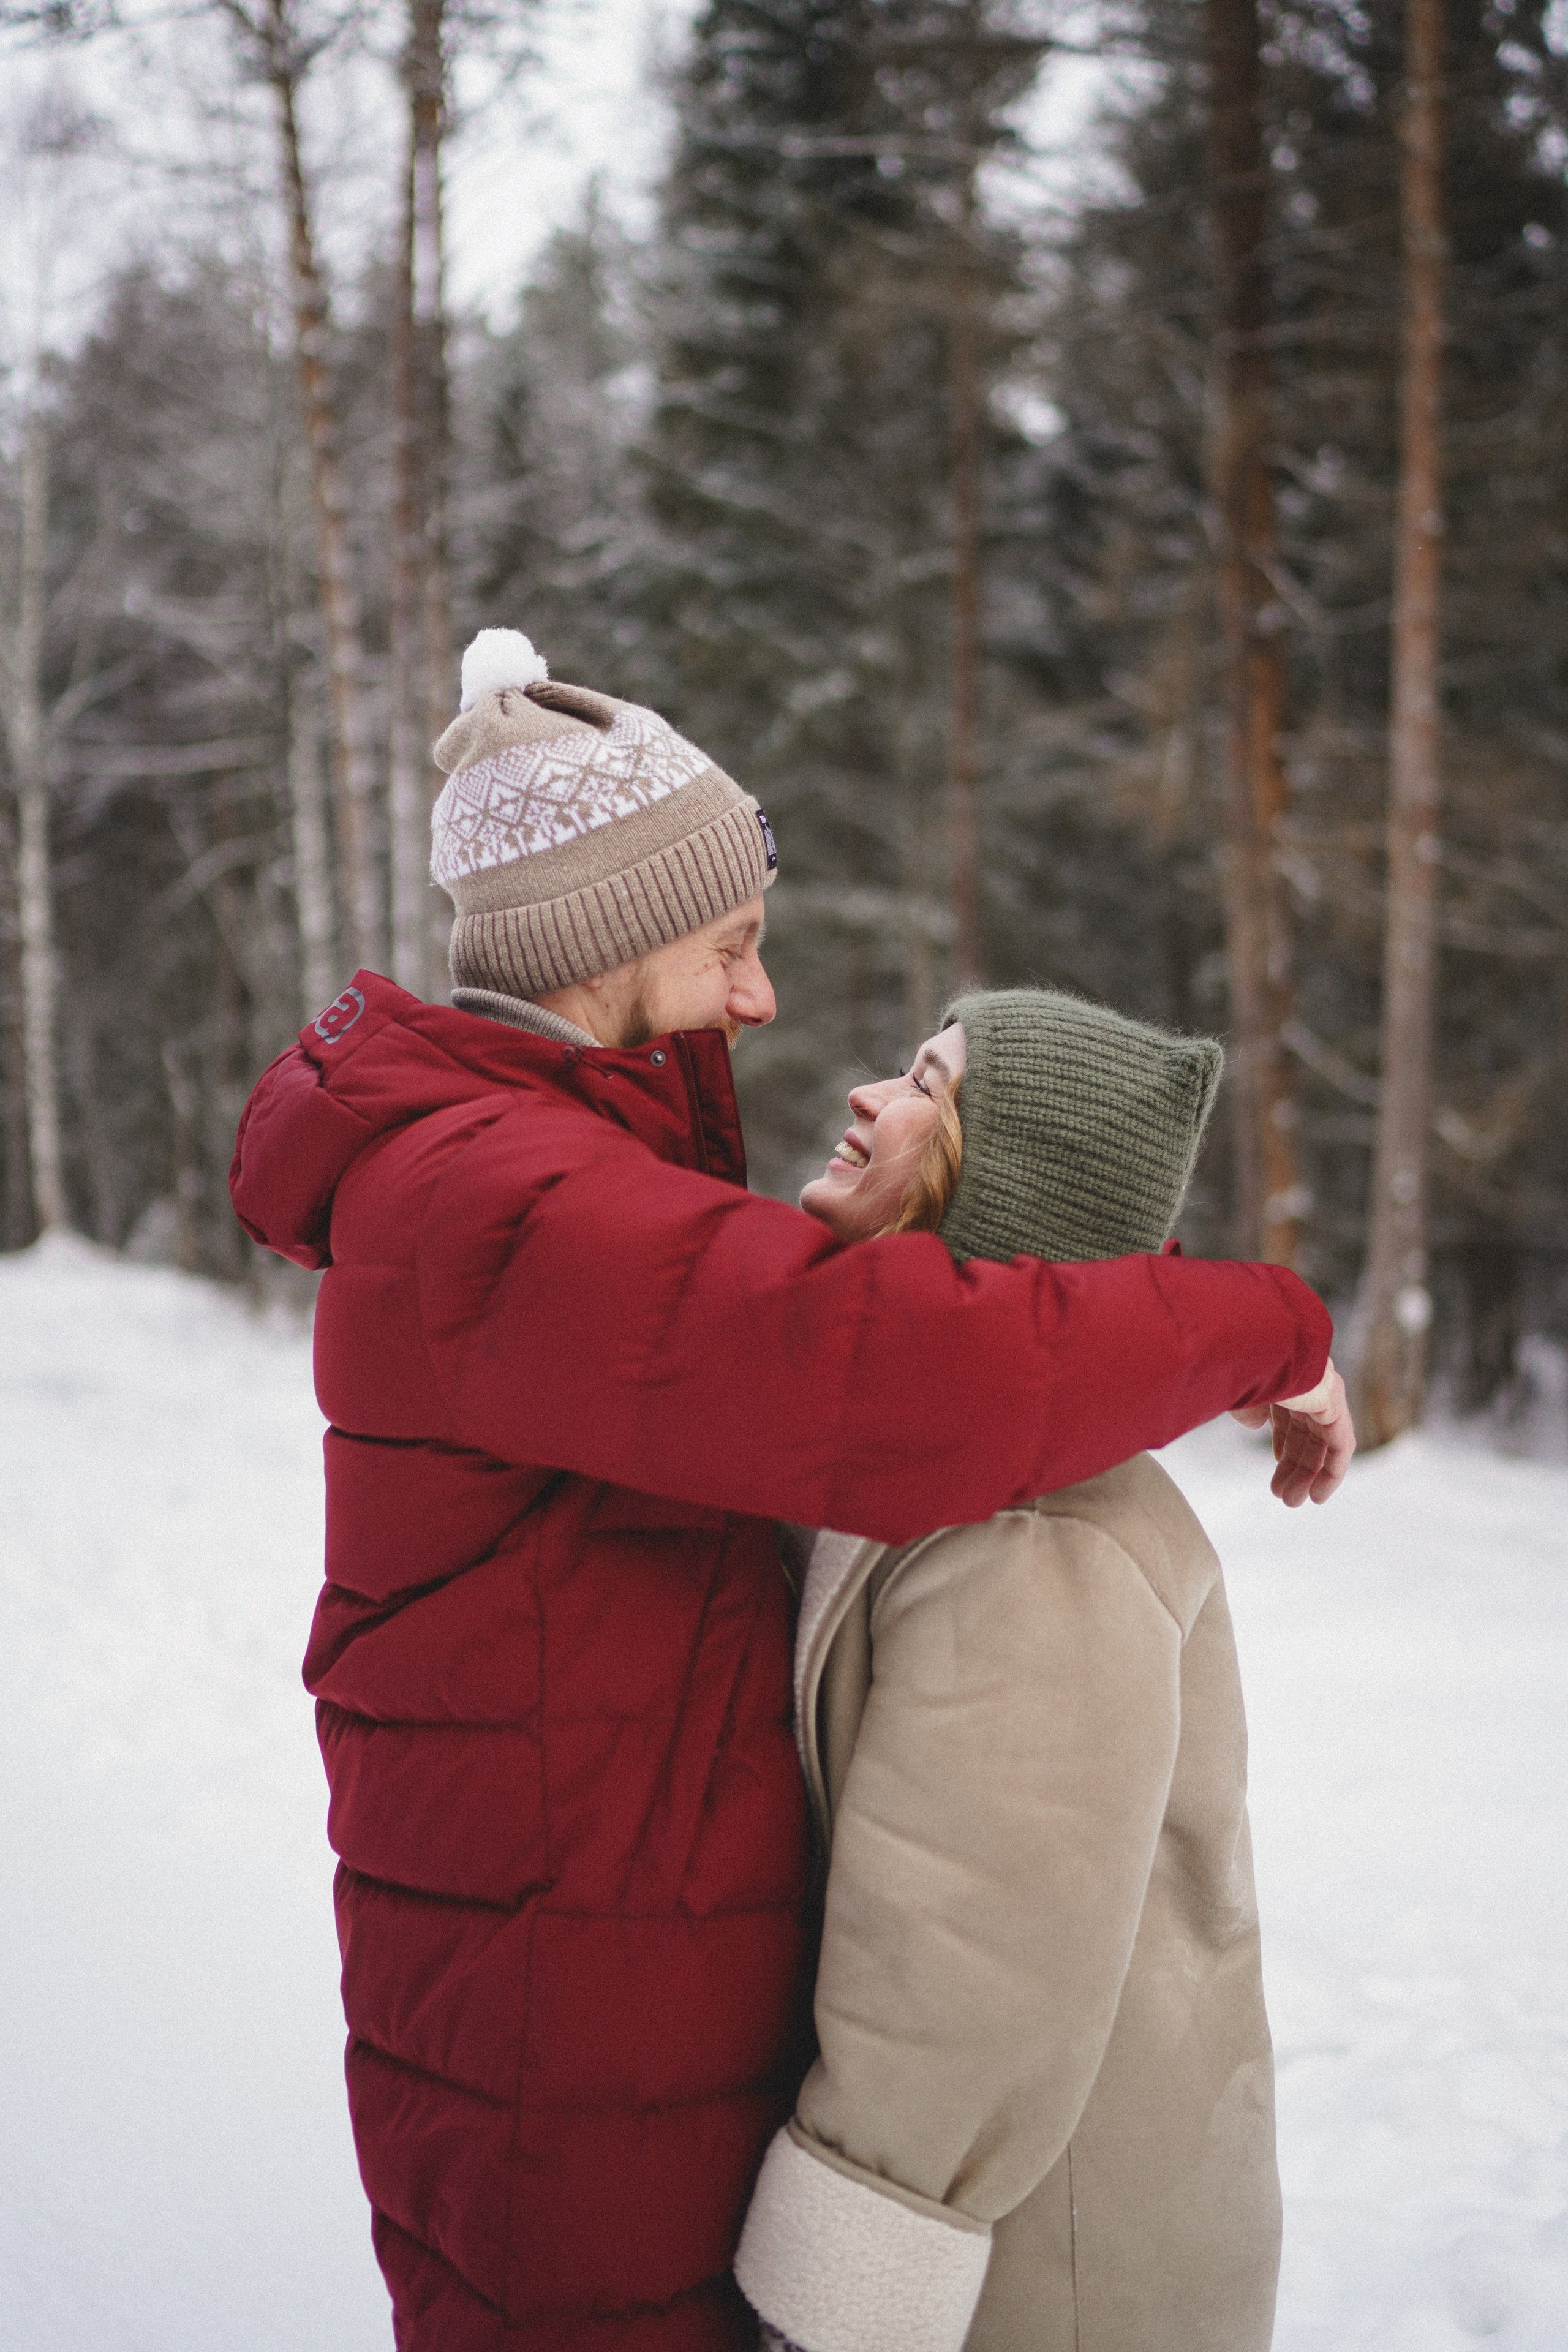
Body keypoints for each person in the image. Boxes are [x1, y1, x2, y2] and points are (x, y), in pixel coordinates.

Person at [230, 630, 1352, 2352]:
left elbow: (984, 1943)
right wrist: (1266, 1320)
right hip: (568, 2014)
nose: (764, 1008)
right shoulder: (508, 1203)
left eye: (926, 1081)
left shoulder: (533, 1179)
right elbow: (891, 1372)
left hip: (598, 1981)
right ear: (613, 942)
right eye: (734, 947)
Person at [737, 990, 1321, 2352]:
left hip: (1043, 2273)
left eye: (928, 1086)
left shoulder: (1036, 1534)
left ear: (999, 1186)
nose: (866, 1097)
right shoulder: (934, 1464)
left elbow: (967, 1957)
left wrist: (838, 2290)